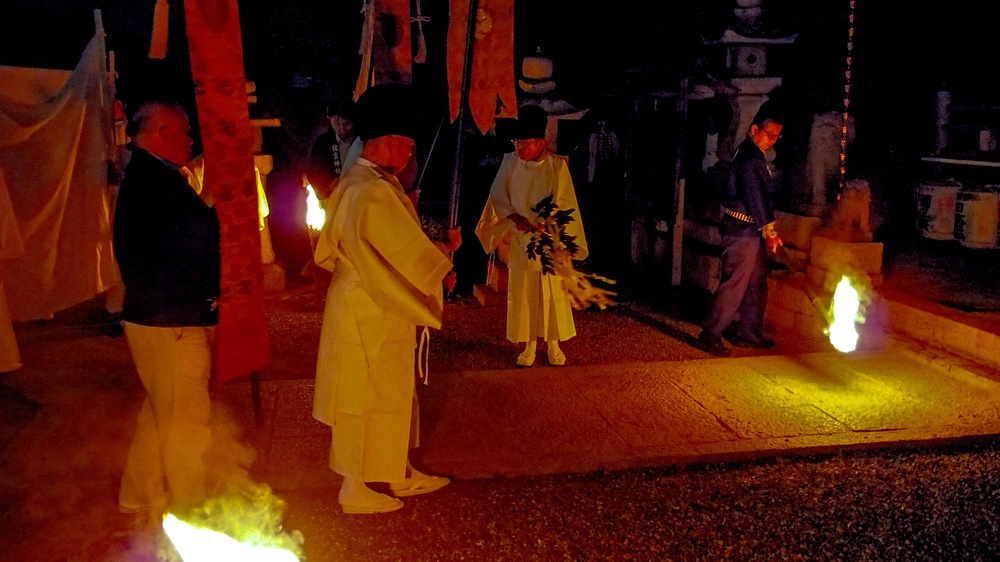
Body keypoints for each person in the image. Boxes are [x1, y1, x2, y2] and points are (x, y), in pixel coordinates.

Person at [311, 83, 460, 515]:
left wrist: (438, 257)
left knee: (391, 391)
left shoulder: (364, 180)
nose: (410, 155)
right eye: (409, 146)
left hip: (373, 300)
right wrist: (443, 262)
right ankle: (353, 488)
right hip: (369, 306)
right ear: (392, 142)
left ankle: (397, 469)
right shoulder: (372, 189)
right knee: (362, 396)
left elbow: (392, 246)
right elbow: (402, 253)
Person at [112, 100, 220, 522]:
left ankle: (137, 494)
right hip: (169, 317)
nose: (192, 139)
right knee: (186, 422)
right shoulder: (155, 181)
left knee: (161, 411)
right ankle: (190, 510)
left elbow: (189, 226)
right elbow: (193, 242)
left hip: (155, 314)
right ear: (161, 132)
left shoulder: (152, 175)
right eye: (185, 131)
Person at [478, 104, 588, 368]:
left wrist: (543, 222)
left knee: (552, 292)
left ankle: (553, 343)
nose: (518, 147)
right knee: (524, 293)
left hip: (548, 241)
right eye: (516, 141)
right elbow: (497, 195)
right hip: (520, 239)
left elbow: (563, 201)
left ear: (540, 142)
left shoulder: (557, 167)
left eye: (523, 143)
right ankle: (528, 344)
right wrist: (515, 218)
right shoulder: (509, 162)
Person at [696, 104, 785, 356]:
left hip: (750, 229)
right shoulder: (748, 157)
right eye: (769, 134)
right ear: (754, 129)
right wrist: (770, 230)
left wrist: (767, 230)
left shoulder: (753, 155)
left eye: (777, 136)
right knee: (735, 283)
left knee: (757, 283)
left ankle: (748, 331)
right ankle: (710, 333)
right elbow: (755, 194)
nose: (772, 140)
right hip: (741, 229)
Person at [306, 97, 360, 200]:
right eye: (337, 124)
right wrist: (323, 188)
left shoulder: (363, 141)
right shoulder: (323, 143)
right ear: (329, 119)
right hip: (332, 198)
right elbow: (313, 172)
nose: (342, 129)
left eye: (346, 124)